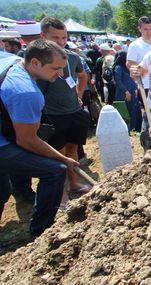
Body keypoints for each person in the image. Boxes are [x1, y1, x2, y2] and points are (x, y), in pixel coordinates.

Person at [0, 39, 77, 236]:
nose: (60, 74)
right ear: (34, 63)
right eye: (55, 68)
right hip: (4, 144)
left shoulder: (9, 60)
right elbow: (26, 140)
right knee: (55, 170)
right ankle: (41, 231)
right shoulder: (27, 92)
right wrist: (62, 158)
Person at [37, 17, 91, 205]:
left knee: (72, 150)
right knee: (56, 156)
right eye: (55, 38)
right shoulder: (36, 61)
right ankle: (61, 194)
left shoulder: (73, 57)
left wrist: (79, 93)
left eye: (64, 37)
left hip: (73, 112)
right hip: (52, 115)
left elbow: (83, 76)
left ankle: (74, 183)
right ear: (43, 36)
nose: (61, 42)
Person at [126, 16, 151, 92]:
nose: (148, 32)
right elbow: (130, 64)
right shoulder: (134, 45)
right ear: (139, 29)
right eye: (145, 29)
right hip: (145, 86)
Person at [113, 51, 141, 132]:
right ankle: (127, 128)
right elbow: (118, 81)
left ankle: (135, 127)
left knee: (134, 110)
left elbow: (133, 79)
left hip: (132, 92)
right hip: (123, 93)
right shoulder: (118, 68)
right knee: (126, 111)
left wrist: (136, 88)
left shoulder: (128, 67)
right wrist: (126, 92)